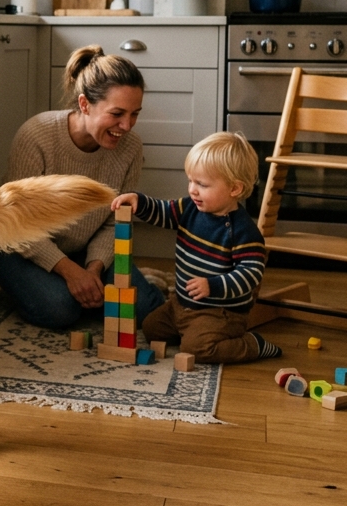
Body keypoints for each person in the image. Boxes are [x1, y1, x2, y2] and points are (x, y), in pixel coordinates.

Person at [0, 45, 165, 329]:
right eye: (117, 113)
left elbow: (113, 224)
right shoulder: (37, 136)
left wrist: (93, 270)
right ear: (84, 104)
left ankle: (74, 288)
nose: (128, 125)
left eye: (135, 114)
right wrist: (71, 273)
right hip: (16, 245)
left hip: (80, 249)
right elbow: (18, 224)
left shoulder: (131, 148)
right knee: (61, 310)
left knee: (147, 308)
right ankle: (13, 288)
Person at [111, 131, 280, 364]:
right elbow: (164, 211)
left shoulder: (242, 231)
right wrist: (140, 203)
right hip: (180, 304)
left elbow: (250, 275)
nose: (192, 189)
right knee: (150, 328)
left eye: (201, 184)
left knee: (198, 349)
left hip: (219, 312)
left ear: (235, 189)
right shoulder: (190, 207)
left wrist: (212, 286)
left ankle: (253, 344)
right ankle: (187, 329)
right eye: (191, 180)